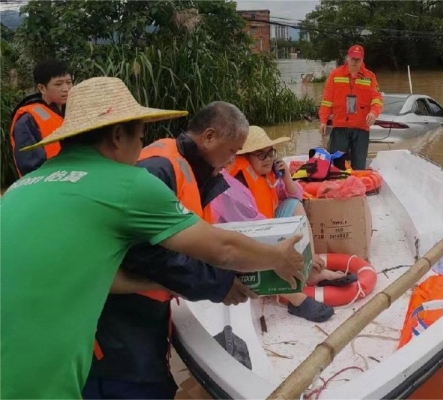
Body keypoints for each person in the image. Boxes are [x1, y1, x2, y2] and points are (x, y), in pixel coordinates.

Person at [0, 77, 305, 399]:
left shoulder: (22, 187)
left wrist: (162, 284)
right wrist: (277, 258)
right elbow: (223, 248)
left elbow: (90, 272)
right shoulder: (127, 183)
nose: (141, 151)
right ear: (118, 135)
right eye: (141, 137)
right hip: (49, 374)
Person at [83, 102, 257, 399]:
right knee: (136, 387)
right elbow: (145, 253)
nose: (231, 162)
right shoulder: (158, 169)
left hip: (145, 312)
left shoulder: (189, 168)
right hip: (122, 323)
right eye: (231, 151)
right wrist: (218, 284)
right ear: (210, 137)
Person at [225, 126, 358, 322]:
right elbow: (257, 233)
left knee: (293, 204)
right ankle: (295, 298)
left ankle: (310, 268)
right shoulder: (235, 185)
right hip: (240, 241)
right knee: (266, 242)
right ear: (244, 157)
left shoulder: (265, 174)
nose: (268, 158)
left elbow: (294, 195)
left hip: (263, 225)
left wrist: (285, 175)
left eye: (270, 152)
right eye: (261, 155)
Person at [318, 44, 383, 170]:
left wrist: (374, 113)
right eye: (352, 58)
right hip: (340, 126)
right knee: (337, 166)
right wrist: (323, 121)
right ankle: (338, 187)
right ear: (347, 58)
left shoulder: (370, 77)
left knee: (359, 166)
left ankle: (356, 188)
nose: (355, 62)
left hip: (361, 128)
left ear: (362, 60)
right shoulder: (335, 75)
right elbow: (327, 101)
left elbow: (377, 99)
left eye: (358, 59)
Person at [10, 59, 73, 176]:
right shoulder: (28, 119)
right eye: (58, 84)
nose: (66, 88)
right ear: (42, 88)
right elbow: (29, 164)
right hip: (47, 183)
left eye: (69, 82)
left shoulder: (74, 112)